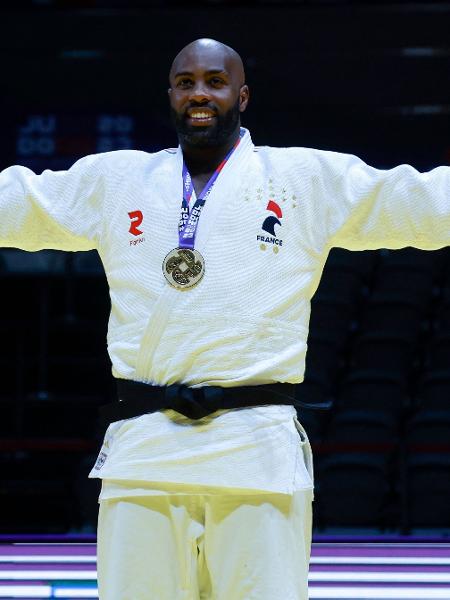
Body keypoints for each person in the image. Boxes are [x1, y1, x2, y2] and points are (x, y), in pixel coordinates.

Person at [1, 36, 449, 600]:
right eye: (185, 83)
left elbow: (415, 200)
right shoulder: (117, 182)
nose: (199, 94)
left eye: (214, 81)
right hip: (145, 456)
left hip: (255, 457)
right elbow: (20, 201)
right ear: (169, 95)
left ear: (243, 94)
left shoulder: (301, 180)